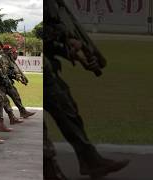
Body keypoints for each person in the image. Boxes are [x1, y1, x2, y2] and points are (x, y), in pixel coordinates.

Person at [45, 0, 129, 178]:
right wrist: (64, 35)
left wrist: (72, 52)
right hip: (31, 67)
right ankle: (48, 170)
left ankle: (90, 161)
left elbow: (48, 42)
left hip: (46, 68)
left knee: (68, 110)